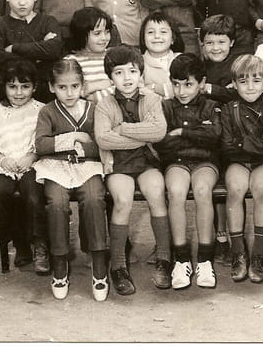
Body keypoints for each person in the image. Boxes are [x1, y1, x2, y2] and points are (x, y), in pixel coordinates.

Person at [94, 45, 172, 294]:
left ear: (141, 73)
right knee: (122, 201)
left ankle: (164, 258)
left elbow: (158, 132)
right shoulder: (104, 105)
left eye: (132, 71)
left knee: (156, 192)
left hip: (146, 160)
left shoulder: (152, 99)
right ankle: (118, 266)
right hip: (118, 163)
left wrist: (123, 129)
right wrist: (141, 135)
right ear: (110, 77)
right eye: (119, 72)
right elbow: (103, 139)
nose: (126, 78)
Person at [33, 59, 108, 301]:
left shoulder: (94, 109)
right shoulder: (47, 111)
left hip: (88, 166)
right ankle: (60, 263)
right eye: (62, 87)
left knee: (94, 199)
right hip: (56, 167)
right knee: (56, 202)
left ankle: (99, 265)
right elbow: (41, 144)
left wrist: (84, 148)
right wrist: (75, 137)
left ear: (82, 86)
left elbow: (102, 144)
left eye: (75, 86)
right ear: (51, 87)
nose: (69, 93)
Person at [155, 53, 222, 289]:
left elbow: (214, 136)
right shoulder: (165, 107)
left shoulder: (211, 106)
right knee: (175, 191)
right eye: (176, 84)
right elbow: (162, 141)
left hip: (205, 162)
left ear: (201, 83)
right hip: (177, 162)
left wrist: (182, 133)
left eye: (188, 84)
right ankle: (182, 259)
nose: (181, 91)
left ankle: (205, 260)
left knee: (203, 191)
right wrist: (197, 134)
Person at [0, 59, 50, 275]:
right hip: (3, 165)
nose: (19, 92)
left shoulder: (41, 110)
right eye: (12, 86)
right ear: (4, 87)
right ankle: (0, 238)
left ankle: (39, 244)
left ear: (34, 87)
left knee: (33, 195)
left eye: (25, 86)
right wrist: (1, 159)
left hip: (32, 164)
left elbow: (43, 138)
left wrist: (32, 156)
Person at [220, 54, 263, 284]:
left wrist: (243, 142)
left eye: (256, 80)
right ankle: (238, 252)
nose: (250, 87)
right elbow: (226, 147)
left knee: (260, 189)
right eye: (243, 81)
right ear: (234, 84)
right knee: (235, 189)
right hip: (238, 163)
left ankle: (259, 254)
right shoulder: (229, 109)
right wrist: (259, 140)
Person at [0, 0, 62, 103]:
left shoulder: (48, 22)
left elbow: (54, 50)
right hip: (9, 99)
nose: (22, 2)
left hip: (43, 96)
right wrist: (39, 54)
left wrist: (14, 48)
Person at [198, 14, 237, 265]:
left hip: (232, 135)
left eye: (221, 42)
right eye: (210, 42)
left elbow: (237, 94)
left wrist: (210, 89)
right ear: (202, 43)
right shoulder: (200, 67)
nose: (215, 48)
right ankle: (220, 237)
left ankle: (235, 238)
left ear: (231, 42)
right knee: (212, 187)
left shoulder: (236, 66)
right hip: (209, 136)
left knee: (231, 186)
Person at [63, 7, 115, 102]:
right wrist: (110, 84)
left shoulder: (116, 56)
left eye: (107, 32)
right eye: (97, 33)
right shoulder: (71, 62)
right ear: (81, 35)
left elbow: (127, 88)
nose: (104, 38)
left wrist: (94, 90)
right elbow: (71, 91)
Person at [139, 10, 185, 100]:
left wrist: (156, 88)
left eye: (163, 32)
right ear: (143, 39)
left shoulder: (182, 59)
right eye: (151, 32)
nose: (157, 36)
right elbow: (139, 92)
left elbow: (190, 87)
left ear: (173, 39)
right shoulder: (138, 63)